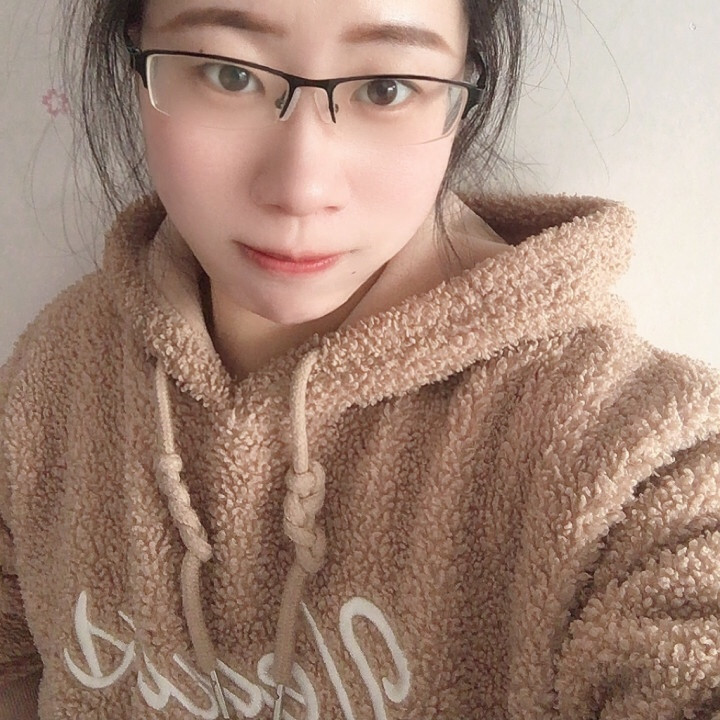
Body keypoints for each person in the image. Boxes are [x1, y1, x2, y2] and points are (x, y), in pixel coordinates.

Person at [1, 0, 719, 718]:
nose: (301, 189)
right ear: (137, 57)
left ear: (464, 89)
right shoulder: (57, 371)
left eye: (386, 88)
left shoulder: (628, 452)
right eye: (228, 73)